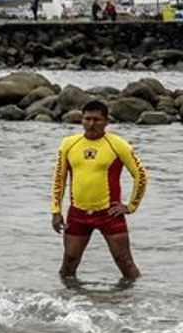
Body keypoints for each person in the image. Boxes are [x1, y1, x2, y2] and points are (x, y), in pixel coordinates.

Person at [50, 100, 148, 281]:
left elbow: (141, 175)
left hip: (109, 213)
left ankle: (135, 303)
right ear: (81, 119)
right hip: (78, 213)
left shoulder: (118, 145)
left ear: (106, 121)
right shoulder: (68, 144)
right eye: (87, 119)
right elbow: (59, 179)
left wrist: (130, 206)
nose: (91, 124)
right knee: (68, 263)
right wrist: (56, 211)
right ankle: (66, 304)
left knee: (125, 262)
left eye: (97, 120)